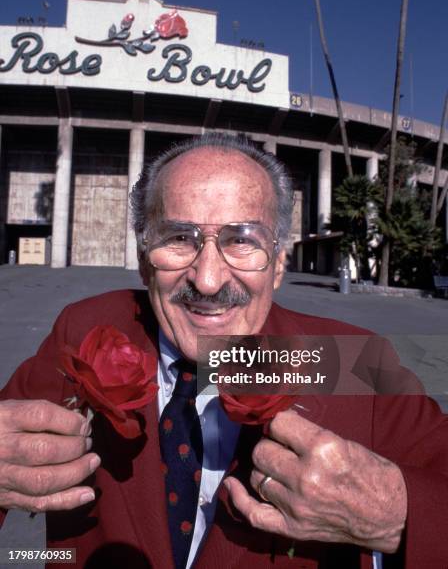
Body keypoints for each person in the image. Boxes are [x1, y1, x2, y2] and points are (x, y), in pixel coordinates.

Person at [0, 133, 447, 569]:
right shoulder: (83, 332)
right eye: (178, 238)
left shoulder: (354, 362)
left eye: (241, 240)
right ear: (142, 259)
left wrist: (393, 515)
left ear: (276, 265)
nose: (208, 280)